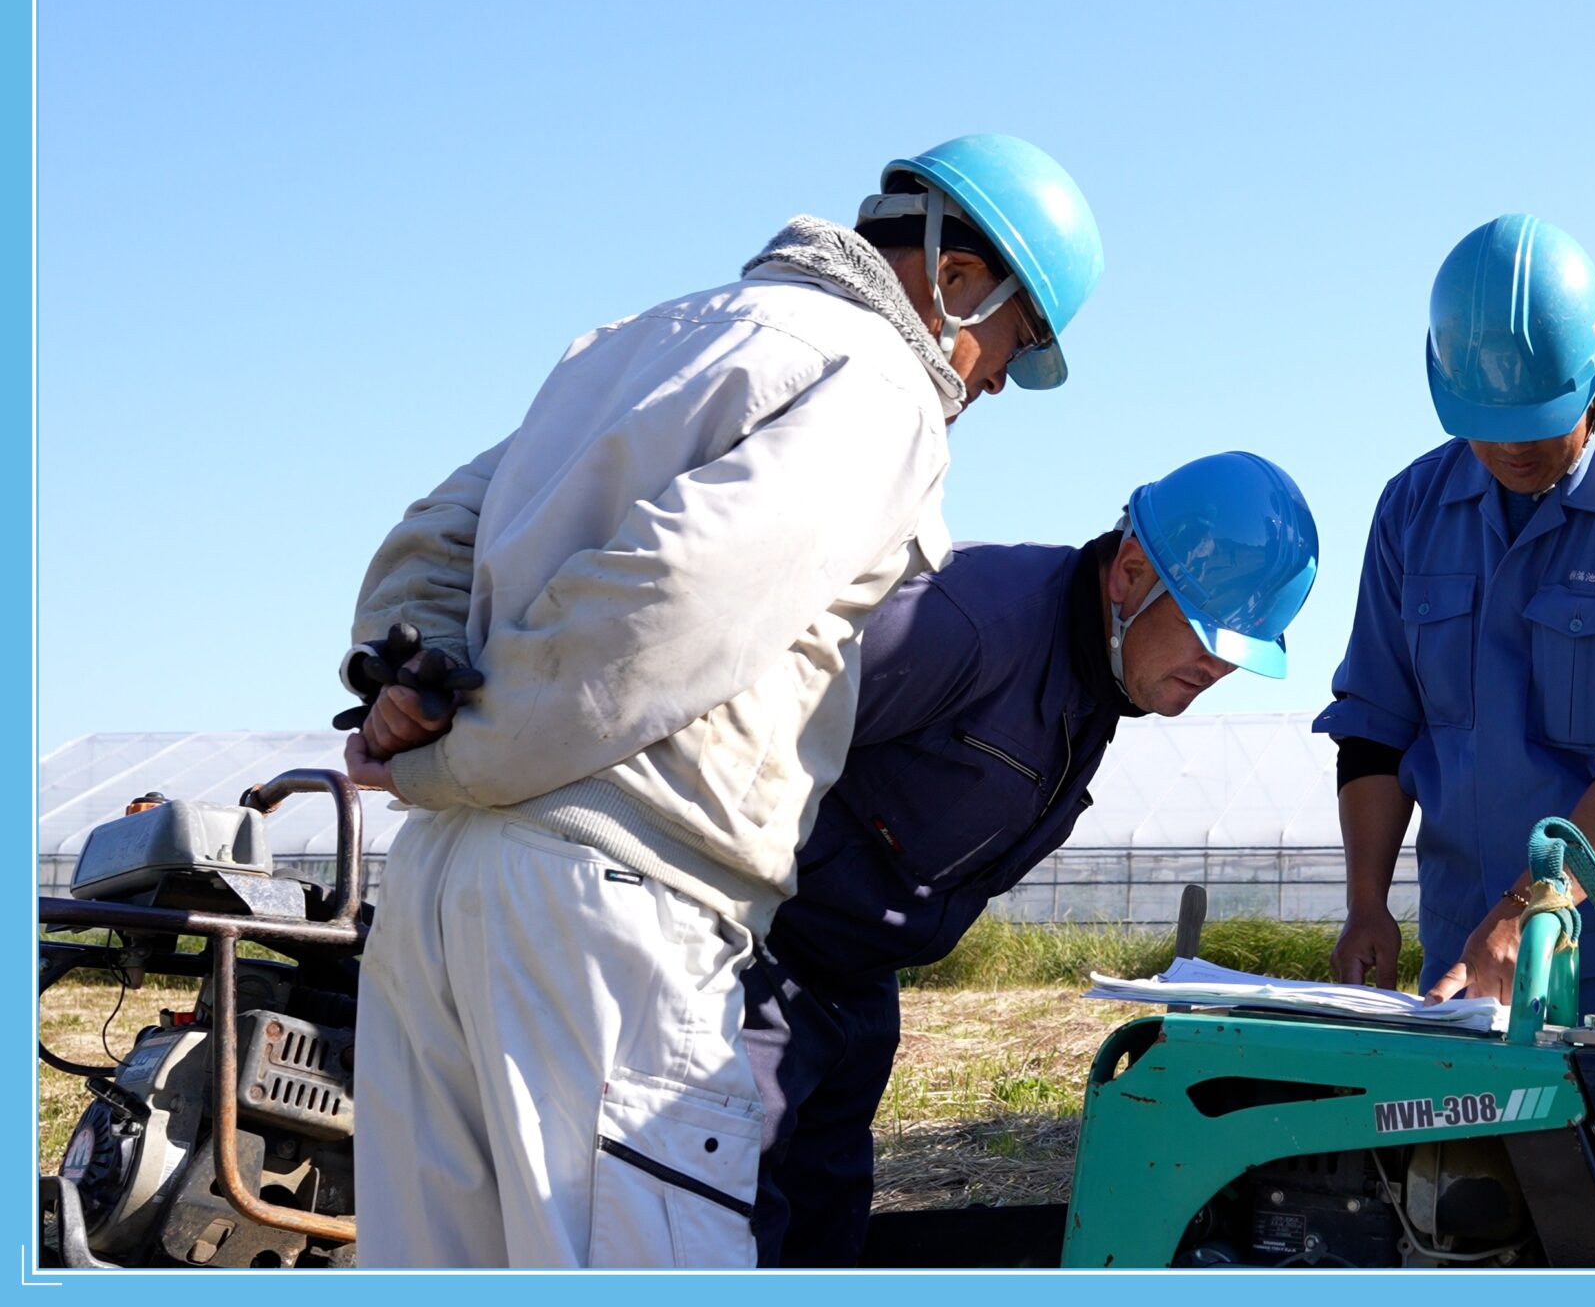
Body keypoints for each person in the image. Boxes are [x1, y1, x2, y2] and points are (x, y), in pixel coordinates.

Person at [335, 134, 1105, 1268]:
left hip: (442, 889)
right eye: (1011, 344)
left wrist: (417, 691)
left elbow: (440, 529)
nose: (990, 380)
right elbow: (670, 601)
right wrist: (458, 752)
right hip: (611, 909)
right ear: (956, 280)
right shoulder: (880, 387)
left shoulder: (638, 339)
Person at [740, 451, 1320, 1266]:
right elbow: (757, 742)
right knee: (727, 1215)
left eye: (1240, 652)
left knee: (822, 1228)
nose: (1219, 667)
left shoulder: (1100, 684)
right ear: (1129, 573)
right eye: (1209, 632)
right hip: (764, 963)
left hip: (859, 985)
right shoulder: (972, 622)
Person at [1316, 213, 1595, 1027]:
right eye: (1483, 422)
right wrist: (1367, 903)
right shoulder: (1413, 508)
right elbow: (1375, 727)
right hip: (1462, 953)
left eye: (1536, 422)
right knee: (1462, 1156)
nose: (1510, 449)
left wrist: (1529, 911)